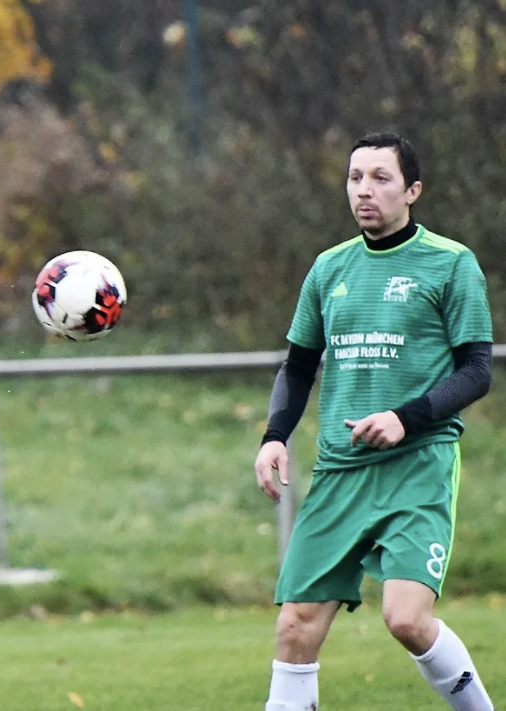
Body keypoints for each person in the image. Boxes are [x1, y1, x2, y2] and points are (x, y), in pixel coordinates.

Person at [254, 132, 495, 711]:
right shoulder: (328, 268)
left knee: (406, 619)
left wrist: (406, 419)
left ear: (413, 191)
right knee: (295, 626)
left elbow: (476, 371)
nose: (364, 190)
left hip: (418, 465)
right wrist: (274, 437)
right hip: (341, 473)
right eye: (355, 177)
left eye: (381, 178)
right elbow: (299, 366)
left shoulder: (450, 263)